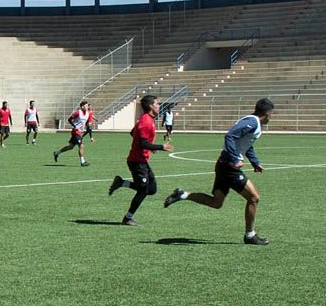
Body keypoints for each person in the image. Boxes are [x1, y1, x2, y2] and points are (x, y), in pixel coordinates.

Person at [164, 98, 274, 245]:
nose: (271, 117)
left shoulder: (254, 123)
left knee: (216, 202)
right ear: (267, 113)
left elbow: (246, 144)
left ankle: (182, 195)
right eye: (271, 114)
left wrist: (255, 162)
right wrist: (235, 158)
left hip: (223, 165)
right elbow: (230, 136)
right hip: (229, 167)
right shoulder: (253, 122)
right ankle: (250, 235)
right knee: (254, 198)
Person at [108, 94, 173, 226]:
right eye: (157, 103)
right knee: (143, 190)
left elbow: (133, 133)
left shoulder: (147, 119)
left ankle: (121, 183)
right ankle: (128, 218)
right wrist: (160, 147)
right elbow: (142, 143)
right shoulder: (146, 121)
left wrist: (149, 146)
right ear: (151, 106)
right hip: (136, 161)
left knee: (152, 189)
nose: (159, 106)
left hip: (141, 160)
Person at [53, 100, 91, 167]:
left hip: (80, 132)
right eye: (86, 105)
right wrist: (74, 126)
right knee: (81, 146)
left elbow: (87, 122)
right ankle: (82, 162)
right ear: (82, 107)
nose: (87, 107)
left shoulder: (88, 113)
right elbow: (69, 119)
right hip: (75, 132)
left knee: (70, 147)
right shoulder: (78, 112)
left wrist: (88, 126)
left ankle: (57, 153)